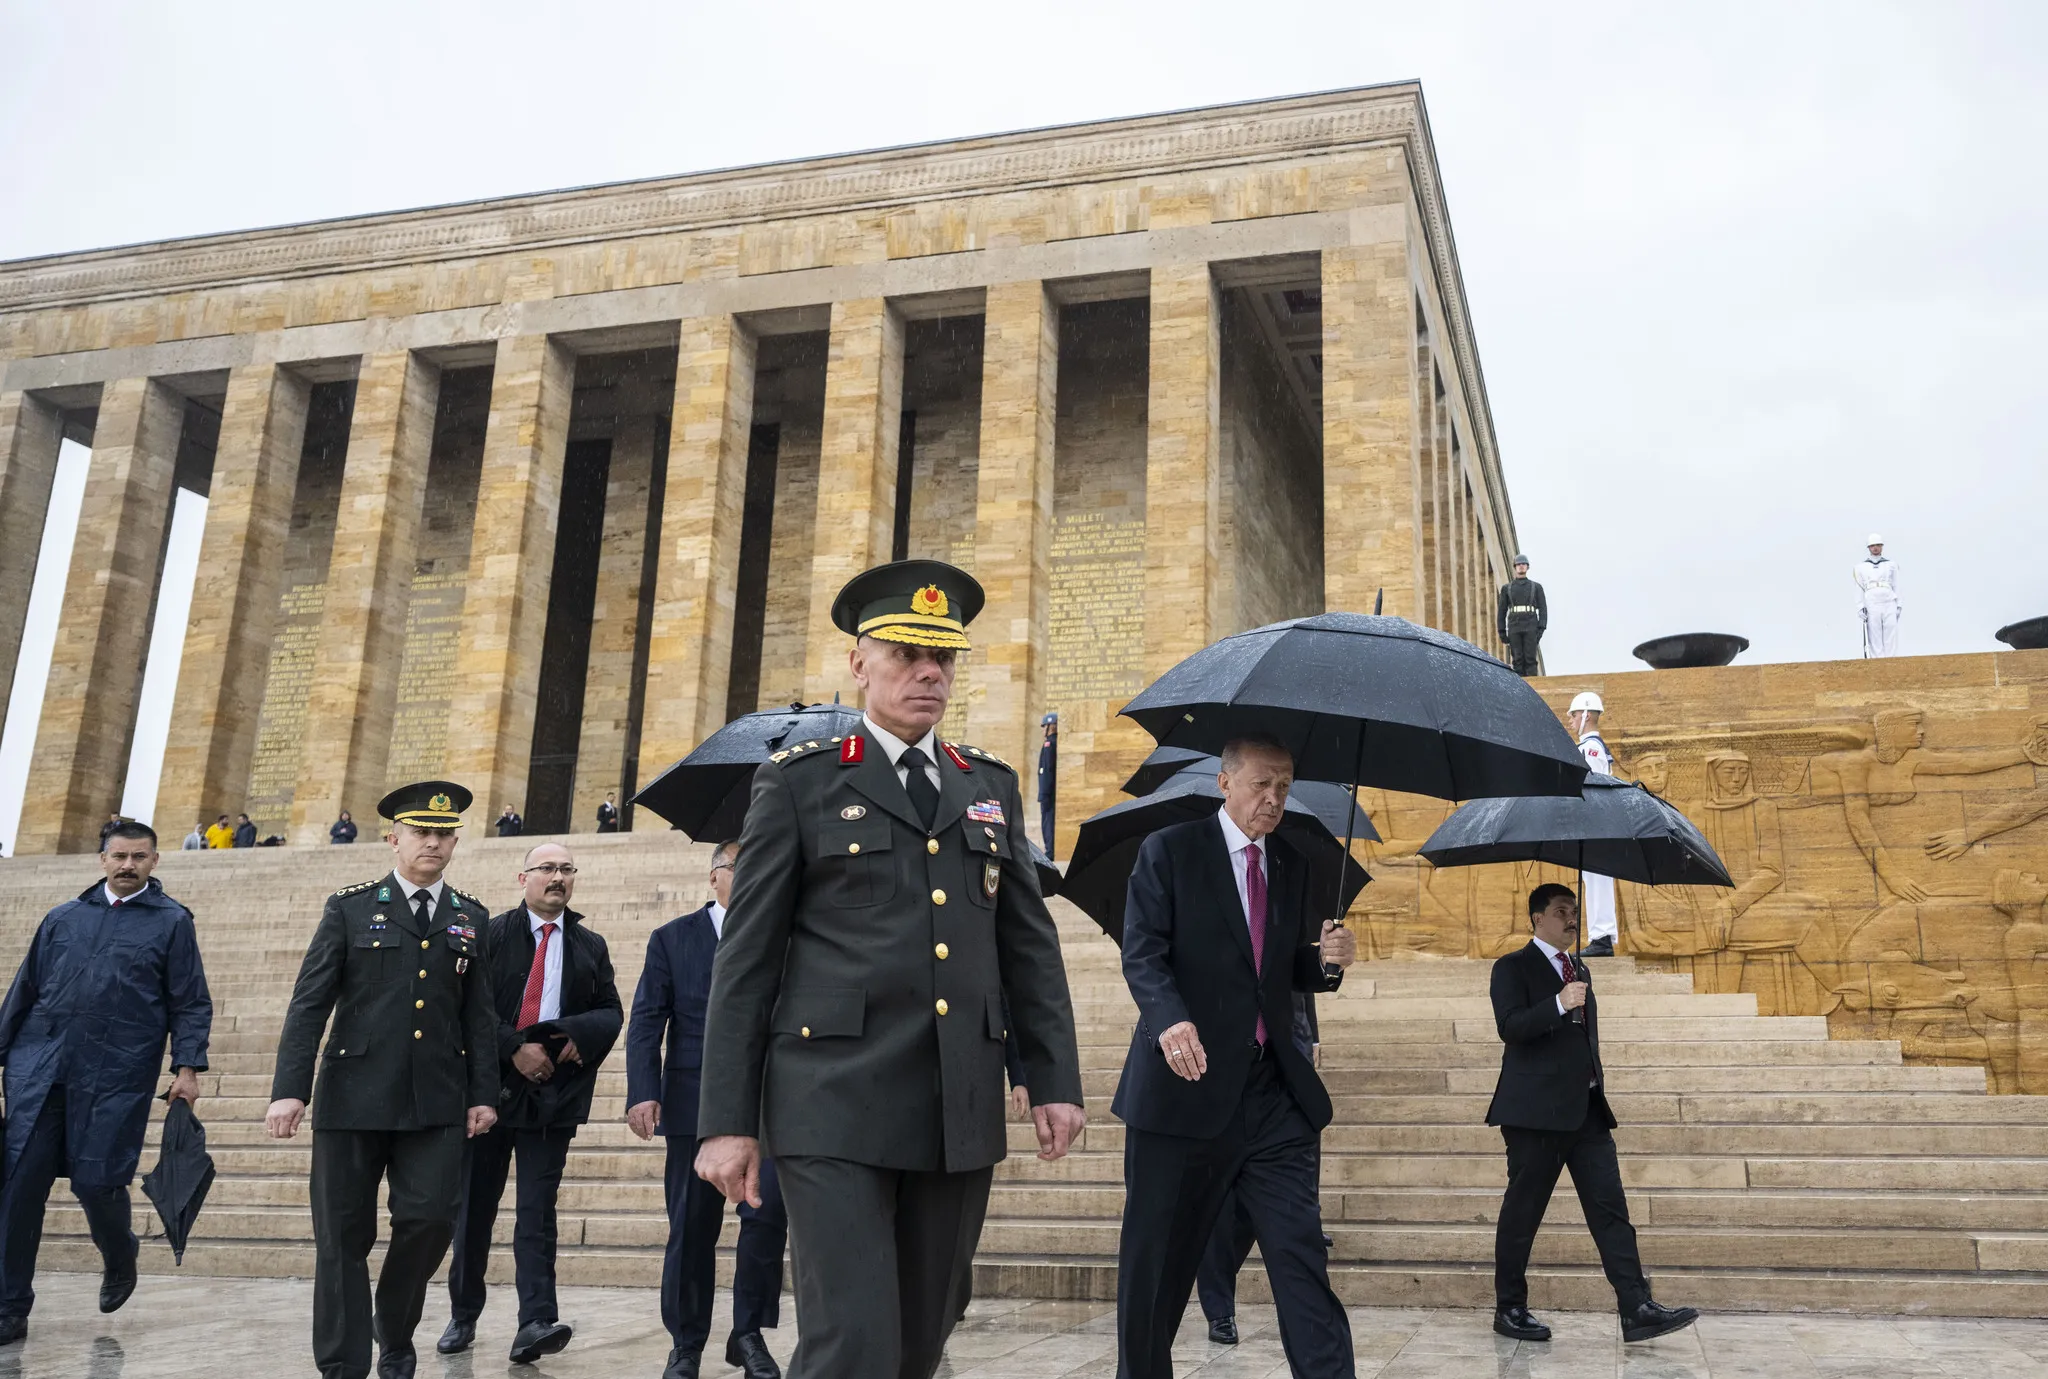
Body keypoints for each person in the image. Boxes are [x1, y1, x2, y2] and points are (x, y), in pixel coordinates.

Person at [695, 558, 1085, 1379]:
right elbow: (747, 960)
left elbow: (1028, 944)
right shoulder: (798, 782)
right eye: (907, 653)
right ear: (859, 663)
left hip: (957, 1102)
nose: (929, 672)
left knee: (921, 1338)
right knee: (852, 1342)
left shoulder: (989, 787)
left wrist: (1053, 1078)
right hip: (832, 1099)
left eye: (943, 657)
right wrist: (728, 1119)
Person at [1113, 734, 1357, 1379]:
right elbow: (1143, 952)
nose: (1272, 799)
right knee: (1157, 1268)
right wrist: (1170, 1022)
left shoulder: (1295, 863)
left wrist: (1324, 962)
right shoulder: (1170, 851)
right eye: (1260, 784)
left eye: (1283, 786)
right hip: (1182, 1089)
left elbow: (1274, 970)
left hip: (1271, 1095)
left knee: (1301, 1255)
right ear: (1224, 783)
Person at [266, 781, 499, 1379]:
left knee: (431, 1220)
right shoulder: (350, 907)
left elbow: (480, 1015)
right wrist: (290, 1088)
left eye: (444, 834)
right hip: (352, 1095)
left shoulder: (471, 917)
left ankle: (393, 1329)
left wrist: (483, 1093)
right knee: (341, 1235)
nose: (434, 843)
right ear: (393, 838)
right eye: (421, 832)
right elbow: (309, 1003)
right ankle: (343, 1365)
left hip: (436, 1100)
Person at [0, 821, 213, 1345]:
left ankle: (120, 1253)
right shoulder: (63, 918)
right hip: (41, 1069)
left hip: (118, 1072)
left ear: (154, 862)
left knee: (97, 1182)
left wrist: (187, 1070)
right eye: (118, 856)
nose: (127, 866)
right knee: (19, 1188)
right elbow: (24, 990)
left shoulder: (171, 923)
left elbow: (189, 1000)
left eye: (138, 857)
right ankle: (9, 1308)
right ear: (102, 859)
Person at [1488, 883, 1697, 1344]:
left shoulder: (1579, 968)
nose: (1571, 919)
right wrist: (1559, 1004)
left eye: (1575, 911)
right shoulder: (1512, 967)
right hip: (1534, 1116)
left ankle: (1635, 1307)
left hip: (1587, 1113)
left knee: (1611, 1211)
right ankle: (1510, 1307)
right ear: (1536, 918)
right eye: (1561, 911)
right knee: (1523, 1215)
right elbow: (1511, 1027)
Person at [439, 842, 620, 1366]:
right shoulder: (490, 935)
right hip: (487, 1093)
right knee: (474, 1208)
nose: (557, 877)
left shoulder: (590, 944)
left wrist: (568, 1036)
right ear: (524, 879)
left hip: (551, 1097)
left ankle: (536, 1320)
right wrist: (514, 1047)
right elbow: (468, 1008)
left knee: (538, 1213)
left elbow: (611, 1011)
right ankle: (463, 1312)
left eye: (565, 869)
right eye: (546, 869)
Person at [629, 841, 788, 1379]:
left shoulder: (783, 936)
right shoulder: (673, 939)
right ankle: (686, 1342)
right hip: (692, 1104)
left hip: (769, 1106)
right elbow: (647, 1021)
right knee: (692, 1228)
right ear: (713, 876)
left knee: (765, 1221)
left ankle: (748, 1334)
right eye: (740, 868)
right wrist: (642, 1090)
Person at [1192, 994, 1321, 1346]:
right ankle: (1220, 1312)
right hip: (1220, 1078)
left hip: (1283, 1076)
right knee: (1218, 1213)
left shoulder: (1277, 937)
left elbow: (1300, 985)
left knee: (1257, 1210)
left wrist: (1313, 1038)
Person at [1568, 692, 1618, 958]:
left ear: (1586, 715)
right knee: (1593, 878)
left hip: (1595, 821)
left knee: (1597, 879)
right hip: (1593, 821)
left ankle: (1601, 938)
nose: (1571, 721)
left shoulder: (1590, 748)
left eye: (1574, 715)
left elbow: (1592, 784)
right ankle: (1600, 937)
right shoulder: (1589, 747)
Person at [1495, 553, 1548, 677]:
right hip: (1514, 625)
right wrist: (1502, 631)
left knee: (1530, 659)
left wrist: (1541, 628)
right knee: (1517, 660)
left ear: (1527, 567)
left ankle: (1533, 688)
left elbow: (1543, 609)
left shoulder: (1536, 587)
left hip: (1531, 624)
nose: (1521, 567)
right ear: (1515, 567)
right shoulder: (1506, 588)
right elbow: (1501, 611)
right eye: (1518, 564)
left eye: (1523, 564)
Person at [1856, 534, 1901, 658]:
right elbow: (1859, 588)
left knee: (1890, 630)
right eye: (1872, 546)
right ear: (1868, 548)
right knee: (1874, 632)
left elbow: (1897, 585)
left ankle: (1891, 659)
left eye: (1877, 545)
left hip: (1888, 599)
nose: (1875, 548)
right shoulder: (1860, 567)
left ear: (1882, 546)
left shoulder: (1891, 564)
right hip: (1871, 600)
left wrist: (1899, 604)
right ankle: (1878, 661)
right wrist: (1860, 606)